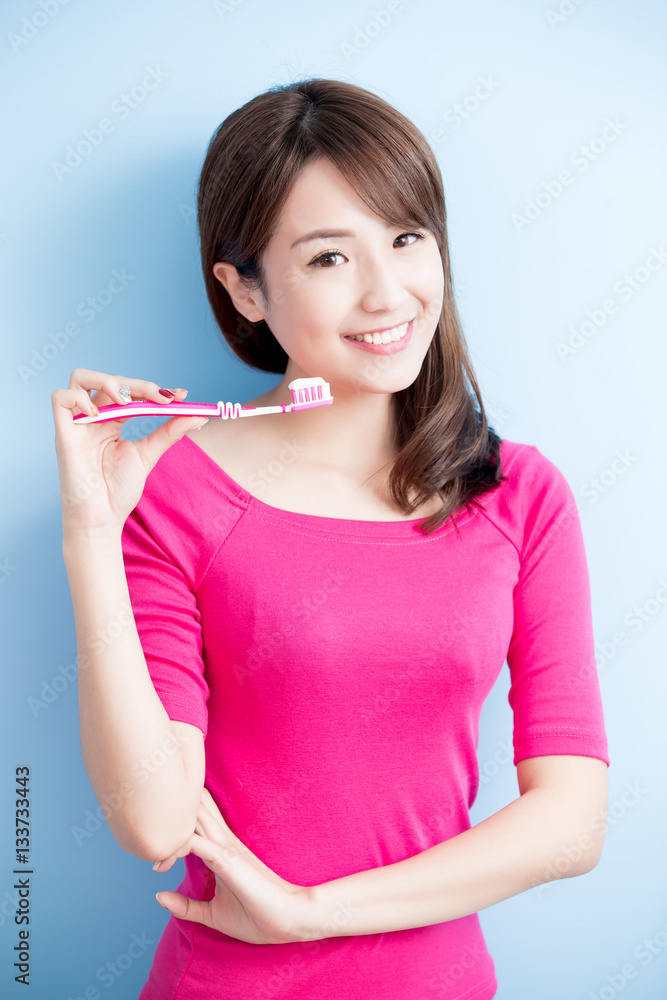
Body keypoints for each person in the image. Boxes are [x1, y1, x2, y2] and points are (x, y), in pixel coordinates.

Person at [52, 78, 610, 1000]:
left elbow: (571, 824)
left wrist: (310, 910)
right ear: (243, 288)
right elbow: (154, 822)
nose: (387, 293)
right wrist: (90, 534)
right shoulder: (175, 492)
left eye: (405, 239)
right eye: (326, 259)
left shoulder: (520, 495)